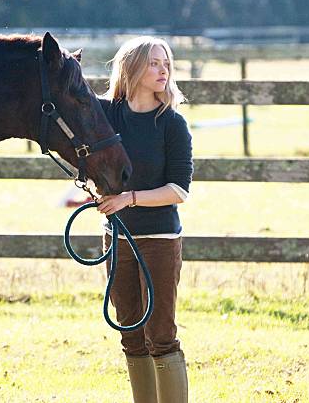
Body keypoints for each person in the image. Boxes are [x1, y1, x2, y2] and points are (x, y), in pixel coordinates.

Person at [96, 36, 193, 403]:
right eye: (154, 62)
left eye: (166, 62)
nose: (163, 69)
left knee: (161, 335)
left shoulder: (171, 124)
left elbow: (179, 190)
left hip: (159, 241)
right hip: (116, 239)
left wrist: (128, 199)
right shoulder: (107, 115)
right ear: (132, 67)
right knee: (130, 333)